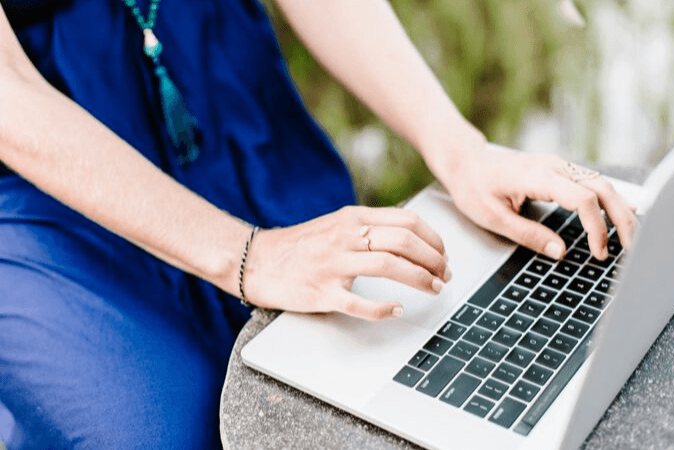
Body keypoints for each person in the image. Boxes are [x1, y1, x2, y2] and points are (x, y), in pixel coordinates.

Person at [0, 0, 637, 448]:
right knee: (164, 426)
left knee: (367, 371)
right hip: (35, 163)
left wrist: (457, 147)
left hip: (212, 66)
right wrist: (249, 254)